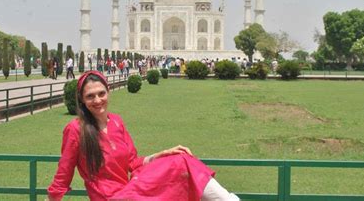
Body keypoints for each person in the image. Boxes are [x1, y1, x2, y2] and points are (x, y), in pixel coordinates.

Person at [47, 70, 239, 201]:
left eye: (101, 93)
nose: (97, 100)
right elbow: (63, 174)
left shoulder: (116, 122)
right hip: (112, 198)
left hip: (130, 189)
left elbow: (132, 163)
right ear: (81, 99)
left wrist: (163, 153)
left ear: (108, 92)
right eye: (90, 96)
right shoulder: (75, 129)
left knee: (180, 158)